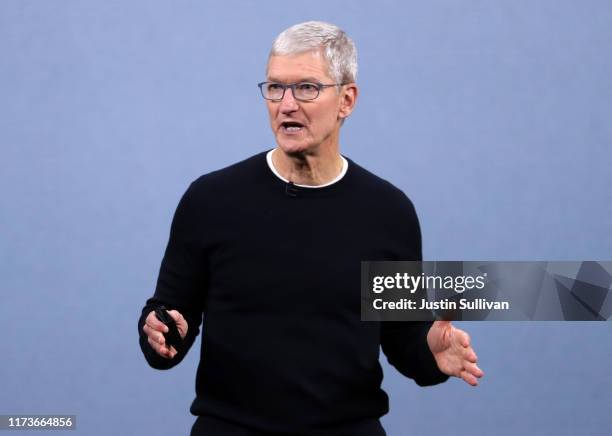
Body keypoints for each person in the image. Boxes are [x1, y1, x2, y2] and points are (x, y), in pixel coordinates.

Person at [138, 21, 483, 436]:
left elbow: (404, 339)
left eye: (306, 88)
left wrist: (433, 351)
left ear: (347, 100)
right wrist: (159, 333)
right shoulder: (211, 200)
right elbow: (170, 320)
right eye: (275, 88)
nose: (286, 104)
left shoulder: (387, 211)